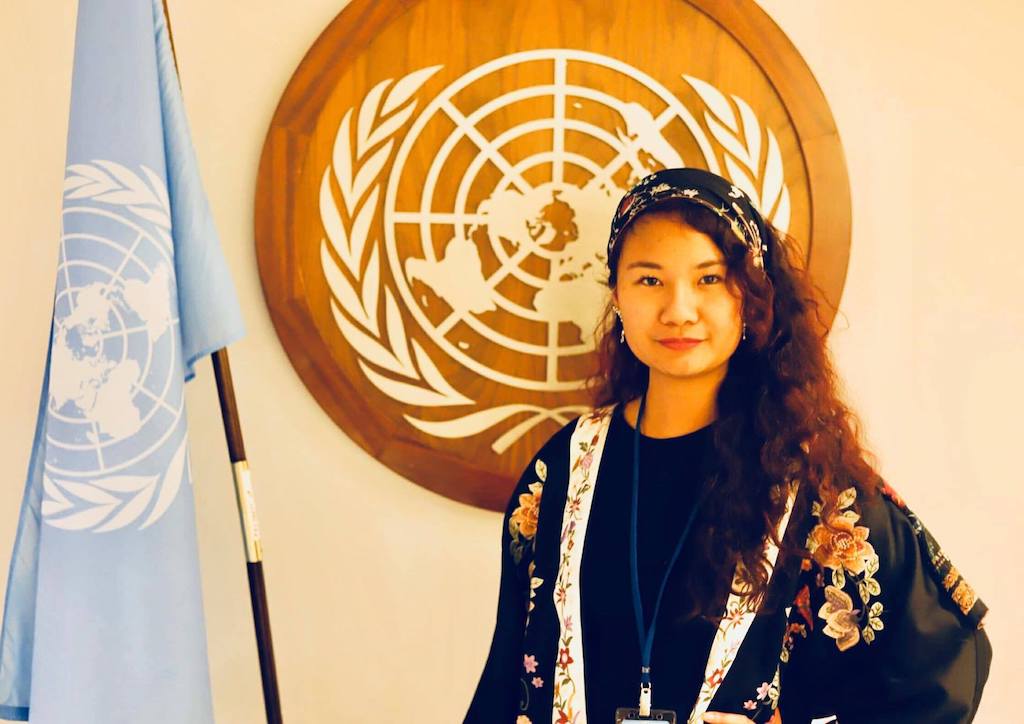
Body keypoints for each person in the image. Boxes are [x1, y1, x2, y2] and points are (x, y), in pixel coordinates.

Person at [464, 167, 993, 724]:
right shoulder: (565, 468)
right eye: (649, 280)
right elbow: (507, 676)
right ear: (616, 294)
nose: (678, 309)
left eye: (710, 279)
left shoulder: (812, 482)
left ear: (752, 295)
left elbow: (941, 673)